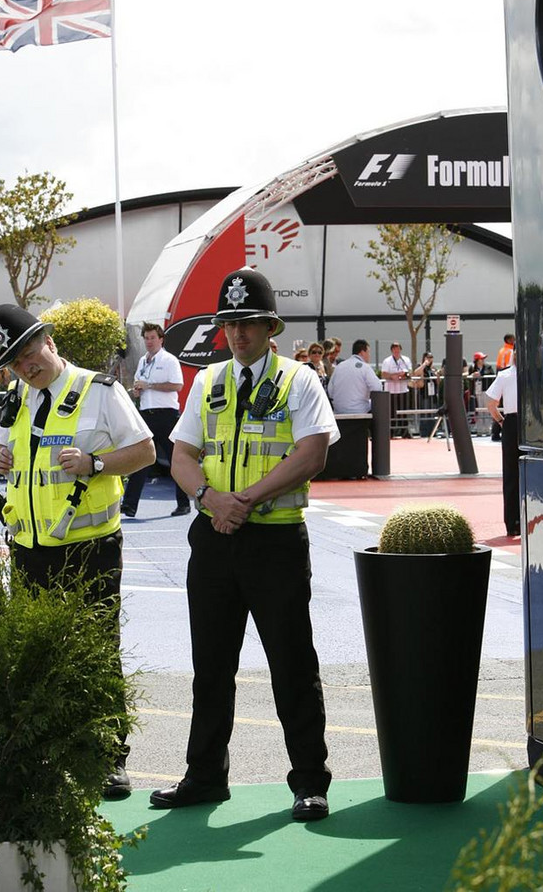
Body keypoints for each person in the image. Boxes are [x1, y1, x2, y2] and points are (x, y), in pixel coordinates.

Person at [149, 267, 338, 822]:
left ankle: (309, 781)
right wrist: (211, 499)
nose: (237, 334)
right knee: (210, 665)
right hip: (214, 540)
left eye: (248, 323)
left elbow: (313, 453)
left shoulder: (298, 381)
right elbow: (181, 453)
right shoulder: (207, 383)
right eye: (229, 323)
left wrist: (245, 499)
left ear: (269, 326)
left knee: (292, 663)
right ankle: (205, 776)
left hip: (274, 540)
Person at [0, 303, 156, 798]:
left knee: (97, 652)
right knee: (36, 655)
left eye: (29, 353)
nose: (25, 366)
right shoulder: (17, 395)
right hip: (29, 548)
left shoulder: (99, 391)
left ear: (50, 342)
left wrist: (95, 462)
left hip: (88, 548)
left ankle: (107, 758)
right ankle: (49, 754)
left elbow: (144, 451)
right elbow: (5, 449)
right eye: (14, 361)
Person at [121, 322, 190, 518]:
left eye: (152, 338)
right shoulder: (143, 360)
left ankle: (183, 504)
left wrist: (149, 385)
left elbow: (177, 385)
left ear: (161, 339)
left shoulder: (169, 360)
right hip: (146, 414)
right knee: (142, 459)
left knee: (176, 460)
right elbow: (139, 383)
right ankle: (129, 505)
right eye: (146, 338)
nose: (149, 342)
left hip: (166, 415)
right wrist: (137, 390)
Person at [486, 350, 520, 537]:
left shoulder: (504, 375)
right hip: (533, 423)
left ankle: (512, 523)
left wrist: (501, 421)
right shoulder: (536, 373)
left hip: (512, 423)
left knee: (511, 474)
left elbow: (490, 403)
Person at [327, 339, 382, 414]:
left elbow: (330, 391)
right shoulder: (365, 367)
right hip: (360, 413)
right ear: (362, 352)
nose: (369, 356)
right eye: (368, 352)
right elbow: (378, 388)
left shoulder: (339, 367)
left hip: (339, 413)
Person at [380, 342, 412, 437]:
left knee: (403, 411)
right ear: (392, 350)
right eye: (394, 349)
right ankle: (391, 431)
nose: (396, 351)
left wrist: (404, 375)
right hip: (391, 390)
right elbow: (384, 374)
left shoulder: (405, 360)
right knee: (391, 412)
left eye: (398, 349)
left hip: (403, 389)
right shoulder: (387, 361)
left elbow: (409, 372)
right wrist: (393, 376)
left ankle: (404, 431)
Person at [492, 334, 515, 441]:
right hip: (509, 377)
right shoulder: (510, 351)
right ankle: (497, 431)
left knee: (499, 407)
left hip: (502, 377)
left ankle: (495, 432)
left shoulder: (502, 350)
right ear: (509, 340)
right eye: (513, 339)